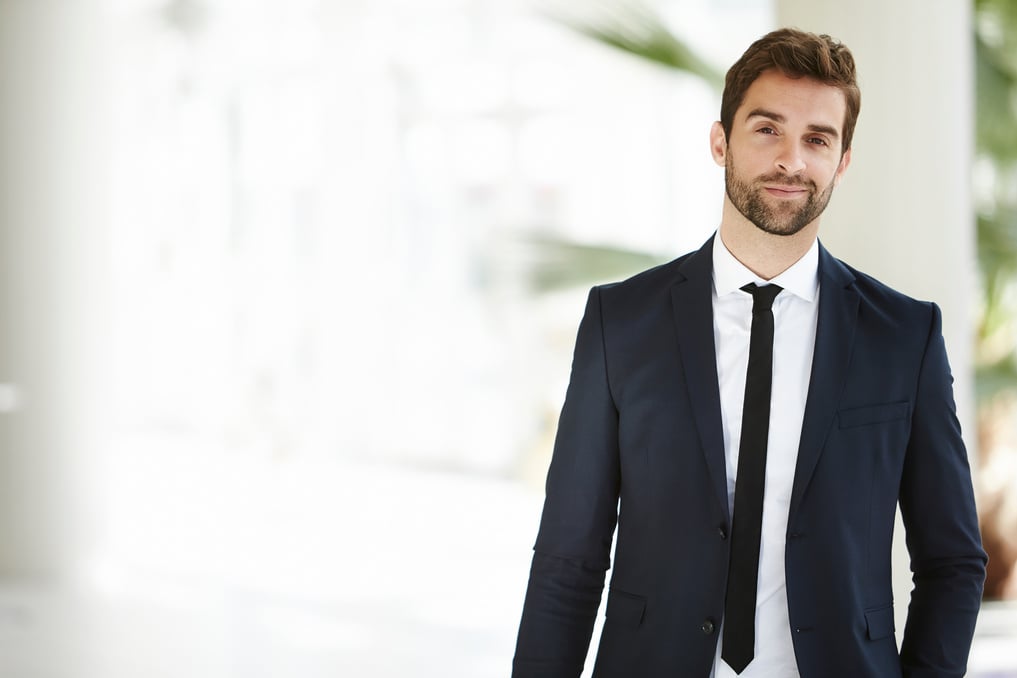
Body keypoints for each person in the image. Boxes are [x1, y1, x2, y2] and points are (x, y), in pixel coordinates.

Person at [512, 28, 986, 678]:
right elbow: (569, 556)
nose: (791, 160)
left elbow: (952, 560)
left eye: (817, 139)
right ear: (720, 142)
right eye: (767, 129)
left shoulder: (903, 336)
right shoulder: (619, 322)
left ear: (841, 161)